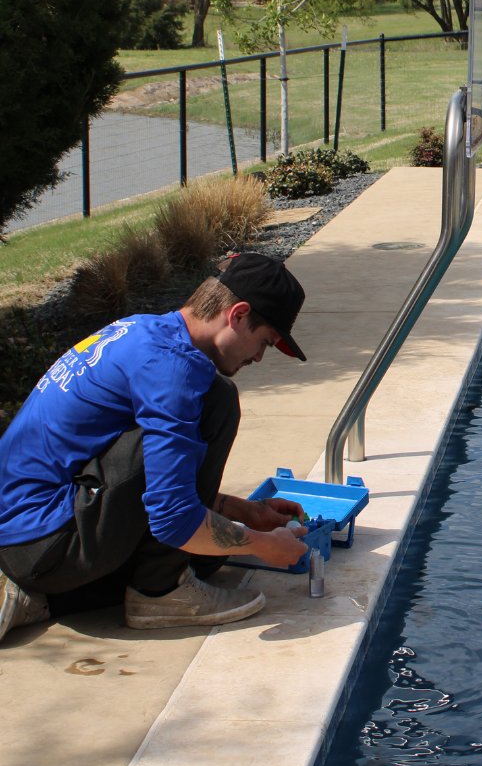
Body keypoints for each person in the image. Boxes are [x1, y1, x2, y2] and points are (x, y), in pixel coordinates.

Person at [0, 252, 312, 645]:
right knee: (215, 404)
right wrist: (265, 545)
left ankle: (40, 599)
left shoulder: (145, 331)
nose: (258, 357)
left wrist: (242, 513)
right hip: (43, 542)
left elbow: (149, 474)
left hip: (25, 533)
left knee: (204, 551)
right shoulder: (175, 369)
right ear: (237, 314)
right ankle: (161, 594)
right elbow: (172, 516)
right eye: (263, 341)